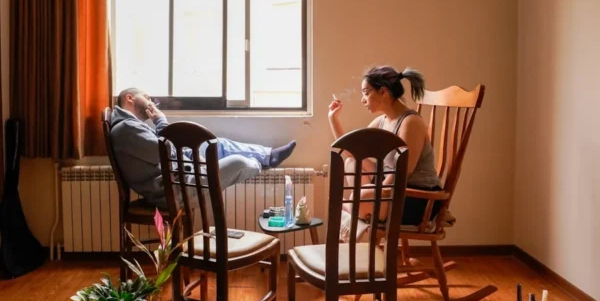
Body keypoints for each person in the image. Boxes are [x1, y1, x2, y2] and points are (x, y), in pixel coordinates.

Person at [110, 88, 297, 210]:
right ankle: (258, 164)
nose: (152, 102)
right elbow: (166, 151)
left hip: (179, 176)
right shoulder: (126, 128)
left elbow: (166, 150)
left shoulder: (130, 127)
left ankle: (267, 156)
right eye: (147, 97)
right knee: (238, 163)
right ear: (130, 98)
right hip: (174, 191)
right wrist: (160, 121)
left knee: (216, 144)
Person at [328, 65, 442, 228]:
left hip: (417, 198)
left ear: (383, 91)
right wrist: (333, 118)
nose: (363, 99)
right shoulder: (383, 120)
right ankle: (363, 207)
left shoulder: (411, 122)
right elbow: (351, 151)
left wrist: (365, 195)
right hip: (393, 189)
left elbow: (401, 172)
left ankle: (357, 207)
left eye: (366, 93)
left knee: (359, 197)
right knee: (352, 162)